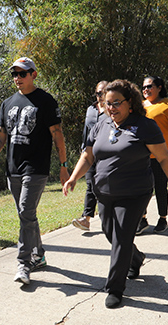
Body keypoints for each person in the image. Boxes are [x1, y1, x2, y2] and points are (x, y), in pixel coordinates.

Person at [63, 79, 168, 308]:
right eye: (107, 103)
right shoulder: (101, 124)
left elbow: (163, 158)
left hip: (135, 192)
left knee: (121, 237)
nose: (111, 108)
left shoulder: (145, 126)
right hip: (105, 192)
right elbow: (88, 156)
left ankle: (115, 288)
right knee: (110, 233)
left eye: (116, 103)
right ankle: (136, 257)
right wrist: (73, 177)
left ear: (130, 103)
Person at [0, 57, 69, 285]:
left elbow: (57, 134)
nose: (17, 78)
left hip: (36, 167)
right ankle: (39, 255)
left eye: (22, 73)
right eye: (14, 74)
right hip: (13, 168)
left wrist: (64, 166)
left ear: (33, 75)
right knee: (26, 215)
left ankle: (23, 263)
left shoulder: (46, 101)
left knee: (26, 212)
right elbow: (1, 136)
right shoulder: (7, 103)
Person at [138, 75, 168, 234]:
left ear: (159, 88)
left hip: (161, 154)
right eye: (144, 87)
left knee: (160, 186)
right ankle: (142, 218)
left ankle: (162, 218)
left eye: (149, 86)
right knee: (142, 187)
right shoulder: (140, 106)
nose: (146, 89)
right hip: (142, 154)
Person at [72, 80, 108, 231]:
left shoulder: (112, 110)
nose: (100, 96)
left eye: (103, 93)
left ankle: (109, 218)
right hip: (90, 153)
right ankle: (85, 219)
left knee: (104, 186)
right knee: (90, 185)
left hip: (106, 154)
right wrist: (83, 148)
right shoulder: (91, 109)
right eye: (98, 93)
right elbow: (86, 130)